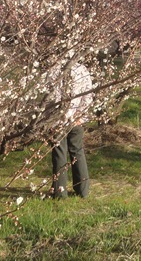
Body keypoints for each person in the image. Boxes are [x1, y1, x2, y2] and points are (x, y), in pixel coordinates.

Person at [50, 61, 93, 199]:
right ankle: (83, 190)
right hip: (75, 119)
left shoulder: (53, 69)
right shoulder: (81, 69)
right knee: (77, 152)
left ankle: (60, 193)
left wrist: (49, 118)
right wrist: (80, 115)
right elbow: (88, 95)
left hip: (57, 120)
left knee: (59, 155)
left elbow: (49, 98)